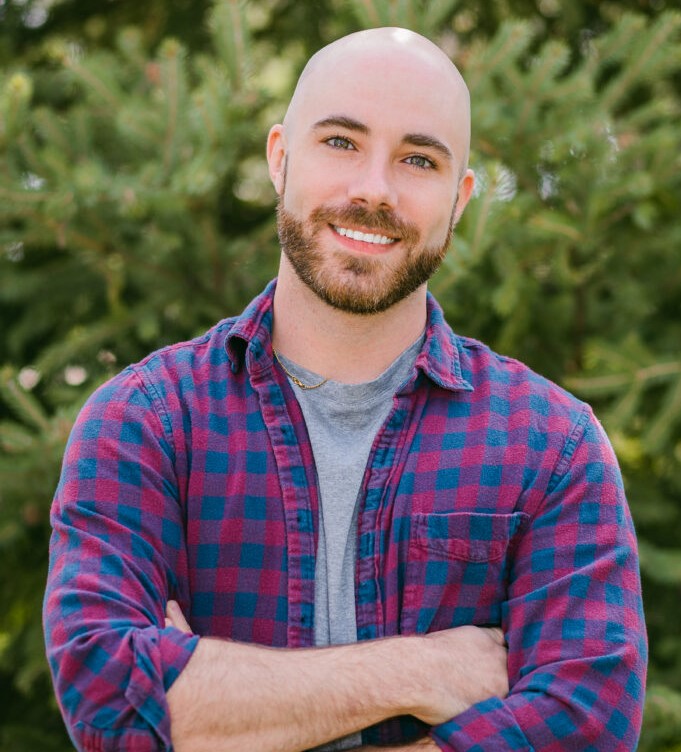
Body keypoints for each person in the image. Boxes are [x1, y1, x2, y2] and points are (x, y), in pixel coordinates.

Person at [44, 26, 647, 752]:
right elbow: (111, 708)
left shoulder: (550, 446)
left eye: (417, 159)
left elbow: (586, 727)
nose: (373, 189)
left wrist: (212, 704)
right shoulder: (146, 423)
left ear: (458, 200)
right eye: (340, 143)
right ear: (279, 158)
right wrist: (416, 671)